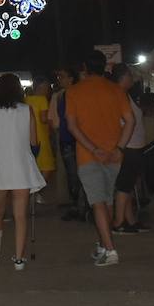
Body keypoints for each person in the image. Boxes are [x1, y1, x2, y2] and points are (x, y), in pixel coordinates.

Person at [65, 50, 135, 267]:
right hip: (114, 155)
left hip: (88, 155)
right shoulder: (115, 90)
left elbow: (72, 126)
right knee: (107, 200)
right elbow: (130, 121)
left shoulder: (74, 92)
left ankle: (111, 251)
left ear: (84, 68)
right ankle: (104, 244)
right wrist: (119, 149)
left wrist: (93, 149)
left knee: (97, 202)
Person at [0, 73, 45, 271]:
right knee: (20, 214)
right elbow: (34, 144)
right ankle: (19, 259)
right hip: (21, 167)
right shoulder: (27, 110)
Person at [110, 65, 150, 235]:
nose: (133, 80)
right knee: (124, 186)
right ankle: (119, 222)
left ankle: (130, 220)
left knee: (127, 186)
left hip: (132, 146)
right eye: (131, 76)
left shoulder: (124, 95)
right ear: (124, 77)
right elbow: (124, 121)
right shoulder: (119, 95)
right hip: (128, 146)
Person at [48, 67, 86, 218]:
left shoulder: (74, 94)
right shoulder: (60, 96)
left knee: (79, 173)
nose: (60, 79)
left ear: (71, 78)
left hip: (75, 138)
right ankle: (77, 204)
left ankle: (81, 205)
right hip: (68, 138)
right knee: (72, 175)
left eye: (62, 76)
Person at [24, 76, 58, 202]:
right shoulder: (42, 100)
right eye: (47, 87)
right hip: (41, 137)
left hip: (28, 137)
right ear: (41, 88)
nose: (48, 90)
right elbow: (44, 119)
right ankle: (36, 192)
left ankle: (33, 192)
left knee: (34, 165)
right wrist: (52, 123)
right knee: (48, 166)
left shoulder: (25, 99)